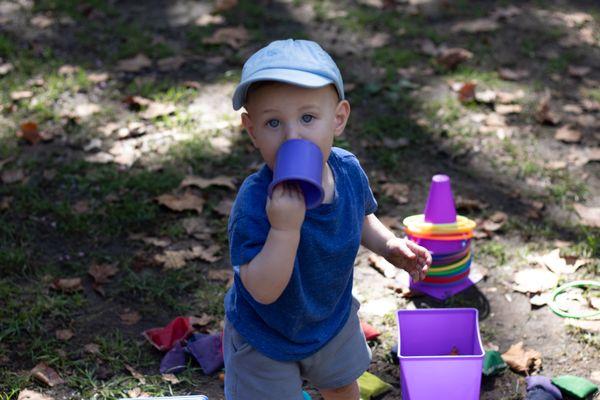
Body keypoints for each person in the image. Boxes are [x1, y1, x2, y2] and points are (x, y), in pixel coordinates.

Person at [223, 39, 431, 400]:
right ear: (252, 129)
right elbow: (263, 290)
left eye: (307, 118)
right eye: (273, 122)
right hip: (265, 335)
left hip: (330, 321)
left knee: (341, 388)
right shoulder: (255, 203)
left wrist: (388, 246)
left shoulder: (347, 170)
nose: (293, 135)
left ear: (338, 118)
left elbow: (360, 218)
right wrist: (284, 229)